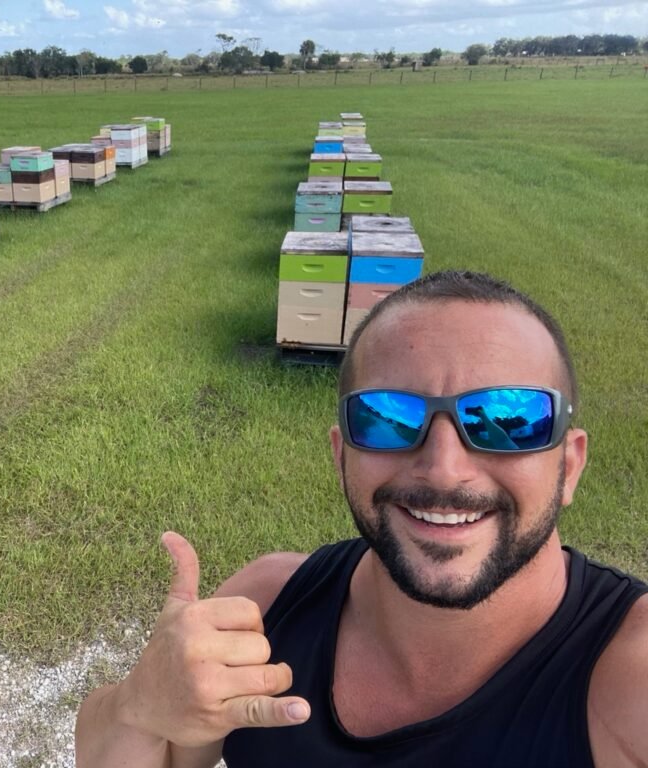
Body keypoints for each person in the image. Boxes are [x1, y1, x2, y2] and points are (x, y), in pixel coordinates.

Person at [75, 270, 648, 767]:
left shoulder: (626, 678)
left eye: (508, 419)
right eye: (386, 417)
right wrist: (138, 705)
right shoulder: (268, 607)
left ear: (569, 466)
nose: (444, 469)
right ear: (341, 455)